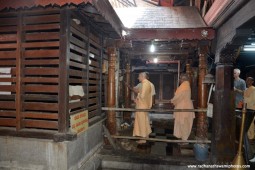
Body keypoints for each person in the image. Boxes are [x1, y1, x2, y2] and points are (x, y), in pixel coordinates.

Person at [170, 74, 195, 141]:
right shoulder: (186, 85)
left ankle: (184, 139)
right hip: (184, 106)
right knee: (182, 123)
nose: (179, 80)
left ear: (183, 79)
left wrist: (172, 101)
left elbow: (179, 97)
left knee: (184, 124)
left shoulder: (184, 86)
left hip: (184, 107)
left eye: (180, 79)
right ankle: (183, 138)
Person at [133, 72, 152, 144]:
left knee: (142, 122)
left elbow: (142, 96)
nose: (138, 78)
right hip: (144, 105)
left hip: (142, 106)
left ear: (142, 77)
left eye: (139, 76)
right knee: (145, 121)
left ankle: (143, 138)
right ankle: (146, 135)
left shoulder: (145, 84)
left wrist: (137, 97)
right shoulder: (147, 83)